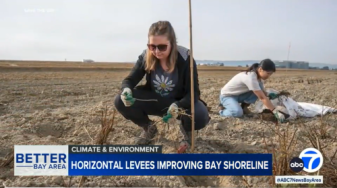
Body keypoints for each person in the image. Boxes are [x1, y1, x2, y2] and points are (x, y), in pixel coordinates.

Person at [114, 21, 210, 150]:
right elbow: (130, 79)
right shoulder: (146, 55)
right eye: (152, 46)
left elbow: (193, 92)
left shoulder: (185, 57)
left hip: (179, 104)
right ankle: (149, 128)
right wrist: (126, 89)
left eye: (162, 47)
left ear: (172, 43)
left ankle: (186, 133)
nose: (156, 51)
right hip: (156, 100)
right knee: (119, 100)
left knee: (199, 115)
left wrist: (179, 105)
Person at [218, 59, 287, 123]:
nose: (268, 76)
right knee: (237, 113)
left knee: (258, 90)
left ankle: (243, 108)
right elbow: (262, 98)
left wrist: (269, 94)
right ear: (260, 69)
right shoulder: (250, 77)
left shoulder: (258, 78)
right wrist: (275, 111)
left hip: (239, 95)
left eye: (270, 74)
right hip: (227, 96)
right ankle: (222, 110)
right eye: (268, 73)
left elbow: (262, 92)